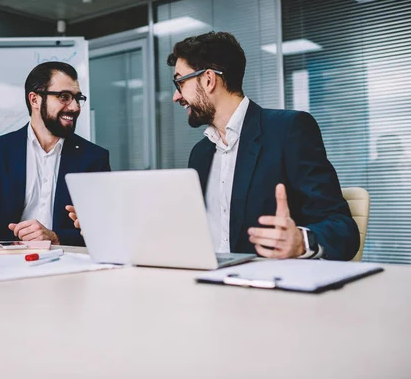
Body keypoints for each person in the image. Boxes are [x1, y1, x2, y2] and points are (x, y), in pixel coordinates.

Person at [70, 32, 359, 261]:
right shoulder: (202, 152)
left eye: (179, 83)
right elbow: (188, 233)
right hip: (204, 286)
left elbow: (344, 230)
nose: (175, 97)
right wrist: (107, 223)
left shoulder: (288, 130)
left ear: (208, 79)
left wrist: (299, 241)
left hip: (265, 296)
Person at [0, 61, 110, 247]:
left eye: (77, 98)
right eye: (64, 97)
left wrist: (55, 237)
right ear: (34, 100)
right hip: (7, 264)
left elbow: (105, 229)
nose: (75, 107)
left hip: (67, 263)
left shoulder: (94, 158)